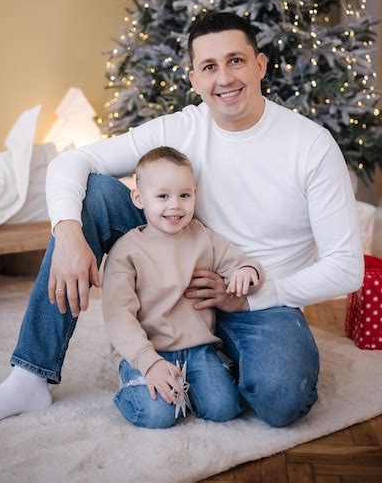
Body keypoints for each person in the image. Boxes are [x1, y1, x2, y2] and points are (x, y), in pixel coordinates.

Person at [0, 11, 363, 431]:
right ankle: (30, 375)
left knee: (284, 401)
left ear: (260, 65)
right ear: (193, 79)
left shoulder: (311, 146)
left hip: (259, 297)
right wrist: (67, 232)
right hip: (178, 265)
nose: (224, 78)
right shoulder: (183, 127)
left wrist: (250, 297)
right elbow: (74, 160)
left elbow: (346, 267)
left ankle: (216, 361)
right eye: (209, 67)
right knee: (96, 192)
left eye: (236, 61)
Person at [103, 146, 264, 428]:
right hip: (149, 348)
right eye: (163, 196)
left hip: (197, 348)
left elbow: (240, 261)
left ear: (194, 195)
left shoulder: (202, 236)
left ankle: (187, 391)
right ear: (139, 198)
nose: (175, 205)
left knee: (224, 408)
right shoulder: (126, 251)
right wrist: (147, 361)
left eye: (184, 195)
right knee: (156, 415)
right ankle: (132, 381)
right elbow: (118, 314)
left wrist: (246, 271)